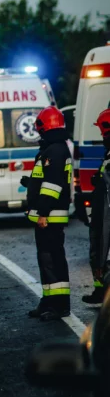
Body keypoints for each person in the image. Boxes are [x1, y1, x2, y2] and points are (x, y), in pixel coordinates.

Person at [23, 106, 73, 321]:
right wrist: (30, 183)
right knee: (47, 261)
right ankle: (49, 301)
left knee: (53, 260)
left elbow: (52, 185)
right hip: (48, 216)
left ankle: (59, 306)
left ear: (43, 127)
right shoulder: (54, 149)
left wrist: (43, 213)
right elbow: (46, 179)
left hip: (50, 216)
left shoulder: (54, 151)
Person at [84, 109, 110, 304]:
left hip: (105, 215)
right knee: (98, 251)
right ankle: (100, 291)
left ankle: (104, 292)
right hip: (101, 212)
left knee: (101, 251)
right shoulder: (108, 154)